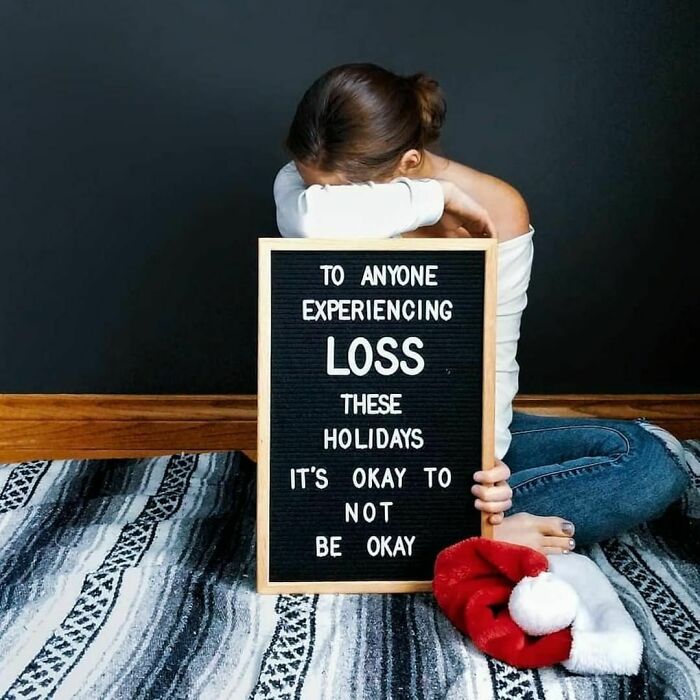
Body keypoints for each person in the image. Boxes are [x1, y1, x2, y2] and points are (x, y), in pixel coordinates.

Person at [271, 62, 691, 555]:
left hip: (448, 422)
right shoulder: (313, 187)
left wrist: (484, 482)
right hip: (351, 429)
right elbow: (309, 222)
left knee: (650, 459)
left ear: (407, 162)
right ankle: (452, 540)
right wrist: (434, 198)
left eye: (331, 189)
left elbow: (493, 356)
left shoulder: (498, 208)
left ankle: (432, 529)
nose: (314, 193)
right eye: (309, 183)